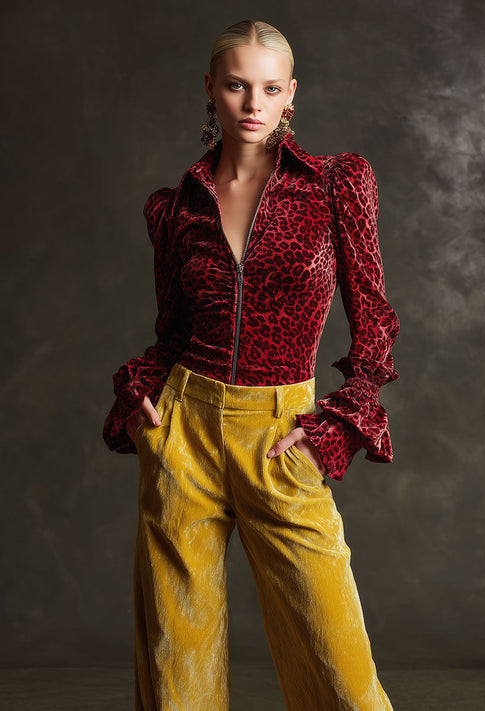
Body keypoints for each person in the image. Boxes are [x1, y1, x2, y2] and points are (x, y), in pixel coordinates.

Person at [102, 18, 400, 711]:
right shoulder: (173, 209)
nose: (252, 103)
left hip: (279, 432)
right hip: (182, 430)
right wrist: (141, 393)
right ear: (211, 88)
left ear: (291, 93)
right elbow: (173, 332)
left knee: (337, 664)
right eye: (237, 86)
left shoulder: (335, 185)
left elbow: (375, 322)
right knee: (176, 663)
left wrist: (337, 422)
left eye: (269, 88)